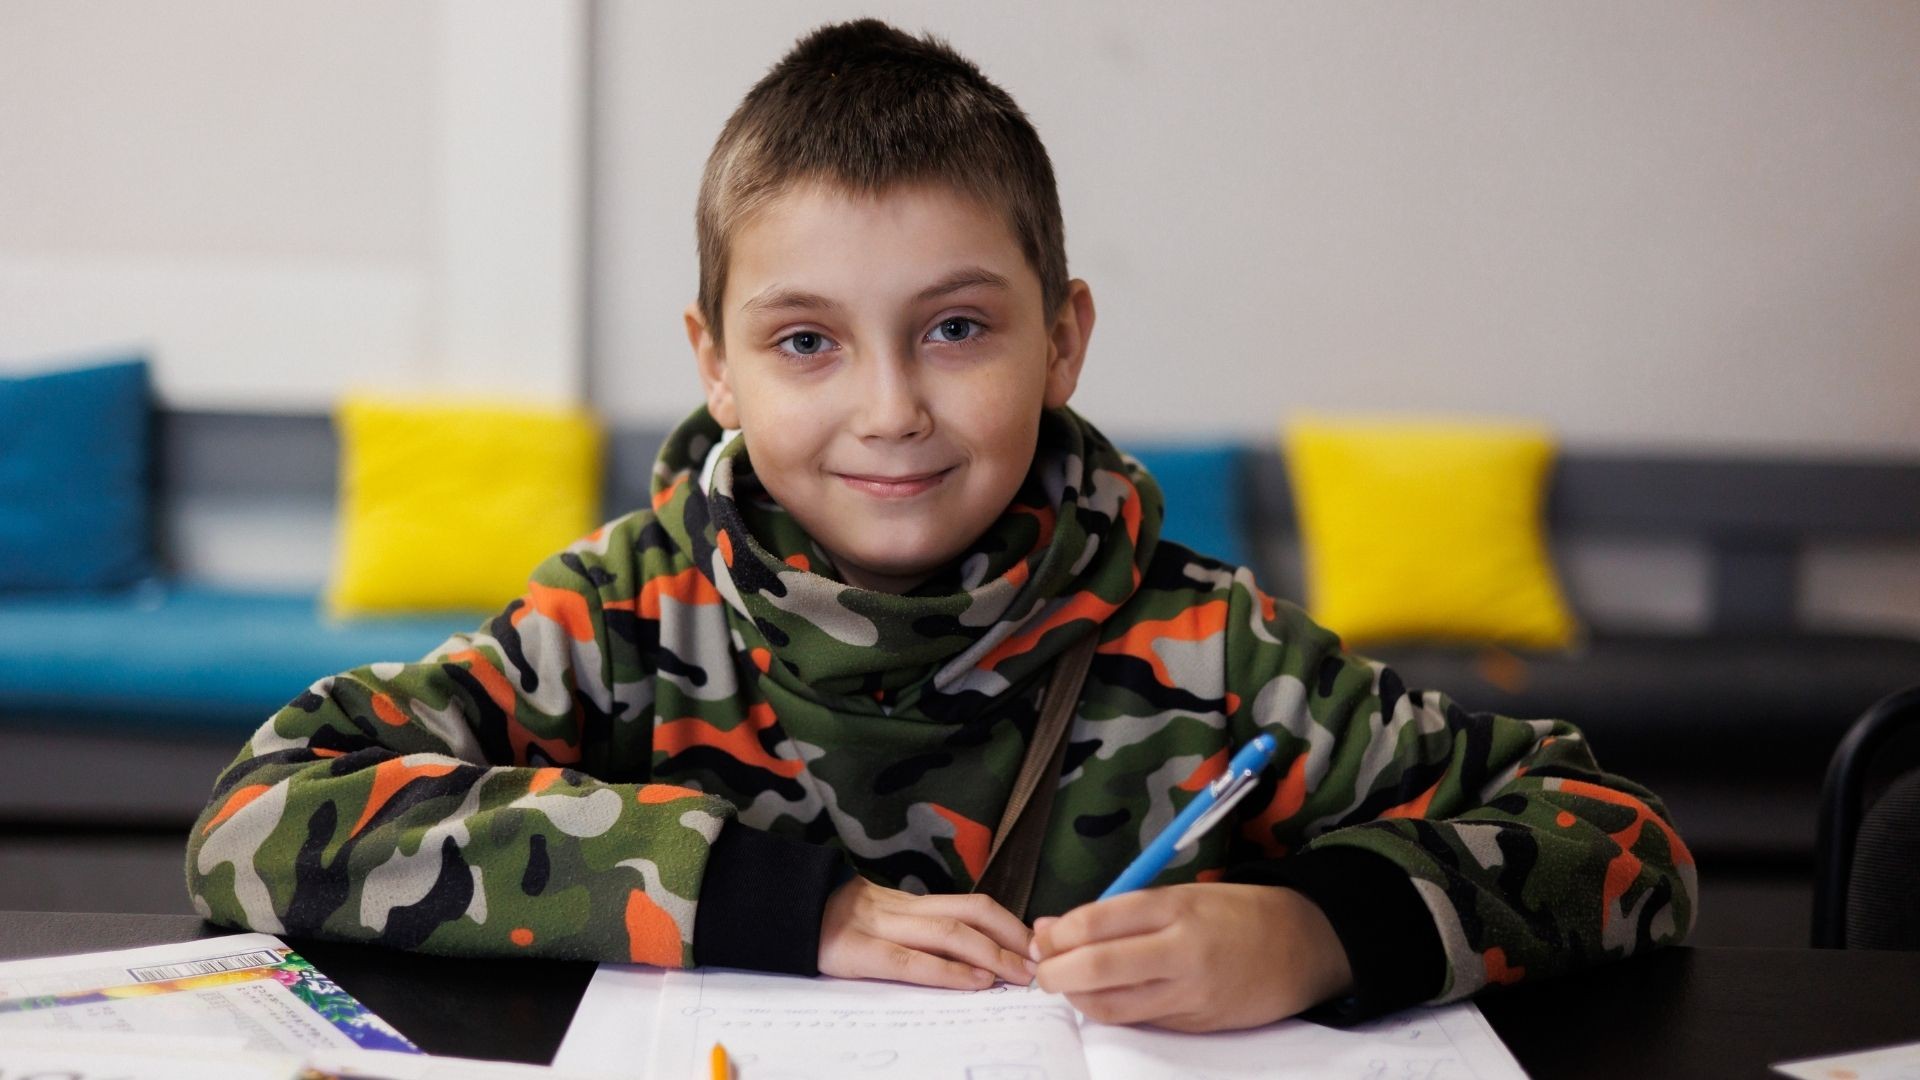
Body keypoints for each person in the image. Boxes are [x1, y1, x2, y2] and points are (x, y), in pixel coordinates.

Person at [187, 18, 1695, 1031]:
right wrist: (769, 901)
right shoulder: (622, 621)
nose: (891, 407)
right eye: (806, 342)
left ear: (1064, 339)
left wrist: (1320, 932)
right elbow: (259, 816)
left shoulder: (1217, 652)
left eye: (957, 328)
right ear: (715, 363)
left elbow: (1619, 839)